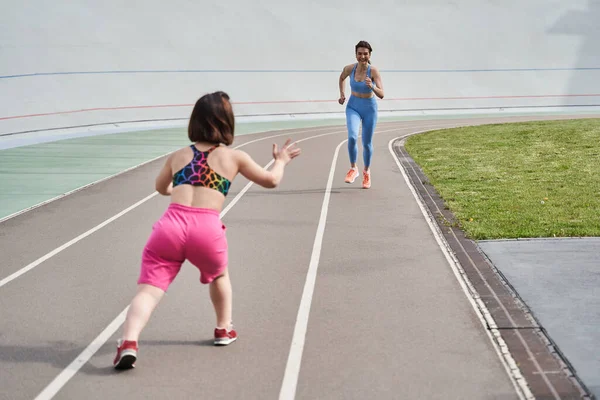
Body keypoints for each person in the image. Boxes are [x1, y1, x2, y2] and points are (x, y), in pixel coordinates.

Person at [113, 91, 301, 370]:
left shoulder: (178, 155)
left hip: (170, 227)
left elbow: (160, 188)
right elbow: (271, 181)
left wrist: (174, 189)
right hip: (206, 228)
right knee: (219, 275)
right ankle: (223, 329)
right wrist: (281, 161)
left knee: (149, 290)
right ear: (227, 122)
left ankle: (129, 342)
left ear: (195, 122)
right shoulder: (234, 157)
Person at [338, 40, 385, 189]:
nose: (362, 56)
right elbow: (341, 78)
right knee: (352, 137)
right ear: (356, 54)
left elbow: (382, 94)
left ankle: (366, 172)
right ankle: (353, 169)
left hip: (369, 109)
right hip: (353, 106)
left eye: (365, 54)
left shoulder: (374, 71)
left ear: (369, 55)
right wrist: (342, 94)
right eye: (360, 53)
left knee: (366, 143)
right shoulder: (350, 68)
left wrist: (372, 86)